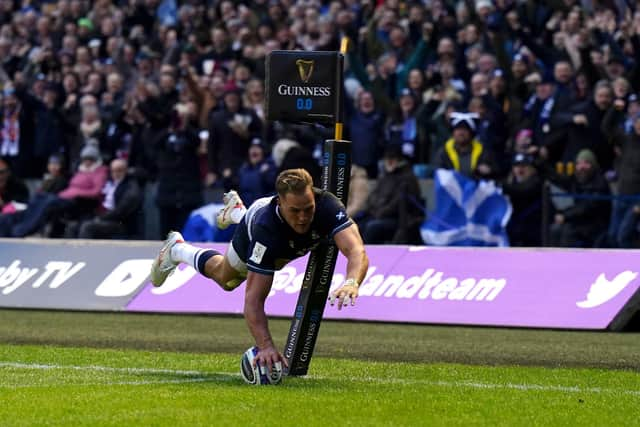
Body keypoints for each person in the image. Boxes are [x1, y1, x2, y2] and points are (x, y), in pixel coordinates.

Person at [149, 168, 369, 372]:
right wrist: (266, 347)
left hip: (286, 244)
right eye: (295, 210)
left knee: (273, 259)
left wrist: (352, 281)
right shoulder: (265, 230)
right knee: (227, 280)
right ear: (280, 203)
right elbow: (253, 301)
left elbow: (356, 249)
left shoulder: (328, 205)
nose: (303, 217)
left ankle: (236, 212)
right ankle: (177, 249)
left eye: (308, 209)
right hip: (256, 226)